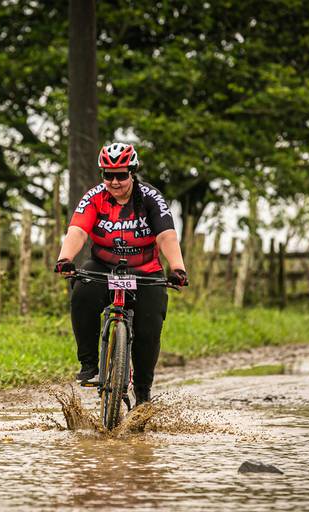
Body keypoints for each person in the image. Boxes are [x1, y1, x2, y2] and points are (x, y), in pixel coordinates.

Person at [54, 142, 189, 407]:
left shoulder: (150, 197)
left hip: (144, 269)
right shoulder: (94, 197)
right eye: (108, 175)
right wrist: (65, 258)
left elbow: (166, 235)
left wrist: (177, 268)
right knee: (82, 293)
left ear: (132, 172)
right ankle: (89, 364)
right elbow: (78, 230)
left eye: (121, 175)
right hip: (104, 266)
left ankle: (143, 391)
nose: (114, 182)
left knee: (149, 328)